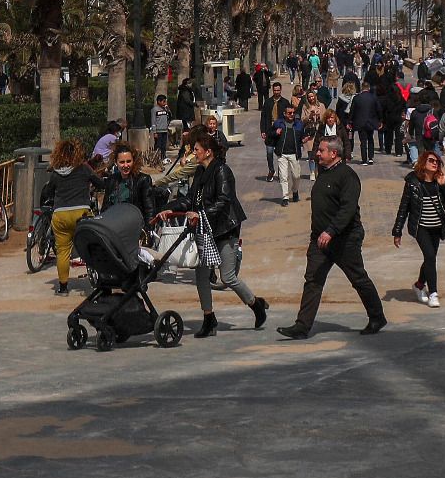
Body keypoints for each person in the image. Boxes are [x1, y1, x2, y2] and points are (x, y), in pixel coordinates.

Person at [154, 129, 268, 337]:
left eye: (196, 150)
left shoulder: (222, 171)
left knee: (228, 277)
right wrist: (172, 208)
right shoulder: (199, 172)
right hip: (205, 230)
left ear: (208, 152)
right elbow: (191, 199)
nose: (193, 153)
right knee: (202, 275)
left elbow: (224, 201)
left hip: (225, 228)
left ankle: (255, 304)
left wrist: (200, 213)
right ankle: (209, 318)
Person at [277, 136, 386, 339]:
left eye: (321, 150)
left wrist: (331, 231)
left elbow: (348, 209)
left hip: (345, 239)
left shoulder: (347, 176)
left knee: (358, 278)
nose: (317, 153)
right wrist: (319, 233)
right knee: (313, 281)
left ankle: (377, 317)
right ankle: (302, 326)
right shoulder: (323, 173)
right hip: (320, 240)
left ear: (333, 154)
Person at [42, 139, 110, 296]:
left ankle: (63, 288)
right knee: (93, 247)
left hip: (60, 215)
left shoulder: (56, 173)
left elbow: (48, 192)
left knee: (63, 251)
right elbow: (100, 183)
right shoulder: (84, 169)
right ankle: (100, 280)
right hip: (82, 213)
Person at [392, 151, 445, 307]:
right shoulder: (412, 182)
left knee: (430, 258)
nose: (435, 163)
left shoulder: (441, 179)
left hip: (437, 227)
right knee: (430, 256)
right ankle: (433, 293)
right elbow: (404, 207)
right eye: (431, 161)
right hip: (421, 227)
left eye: (437, 161)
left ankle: (418, 285)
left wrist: (444, 187)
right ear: (423, 162)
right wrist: (397, 231)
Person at [100, 143, 155, 219]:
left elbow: (149, 210)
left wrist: (147, 229)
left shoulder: (143, 180)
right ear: (116, 163)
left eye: (128, 161)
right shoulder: (111, 180)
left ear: (133, 161)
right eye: (122, 162)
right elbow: (105, 208)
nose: (126, 165)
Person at [271, 102, 308, 204]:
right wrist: (275, 132)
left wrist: (303, 140)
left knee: (296, 176)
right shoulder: (278, 123)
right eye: (289, 113)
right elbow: (271, 135)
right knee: (283, 176)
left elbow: (301, 137)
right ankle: (285, 197)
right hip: (282, 154)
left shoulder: (299, 124)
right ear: (284, 114)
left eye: (293, 113)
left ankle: (295, 191)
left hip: (294, 154)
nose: (292, 115)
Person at [259, 80, 286, 182]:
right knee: (269, 153)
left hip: (280, 131)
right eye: (275, 90)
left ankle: (281, 173)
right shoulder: (268, 102)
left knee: (280, 154)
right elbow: (263, 117)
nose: (276, 92)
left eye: (278, 90)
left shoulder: (285, 102)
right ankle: (271, 170)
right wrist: (263, 130)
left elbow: (288, 118)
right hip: (270, 131)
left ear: (281, 90)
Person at [349, 80, 381, 165]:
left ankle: (364, 159)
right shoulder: (373, 97)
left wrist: (350, 121)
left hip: (360, 122)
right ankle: (370, 158)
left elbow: (352, 111)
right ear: (369, 88)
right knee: (370, 139)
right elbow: (378, 110)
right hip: (371, 122)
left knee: (363, 141)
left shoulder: (357, 98)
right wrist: (380, 120)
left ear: (361, 88)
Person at [151, 94, 171, 158]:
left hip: (164, 130)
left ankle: (163, 156)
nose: (164, 103)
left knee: (163, 145)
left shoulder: (165, 109)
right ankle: (156, 157)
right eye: (163, 101)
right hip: (158, 130)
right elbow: (153, 121)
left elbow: (169, 117)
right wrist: (154, 132)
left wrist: (168, 110)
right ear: (159, 101)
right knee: (158, 145)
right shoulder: (154, 109)